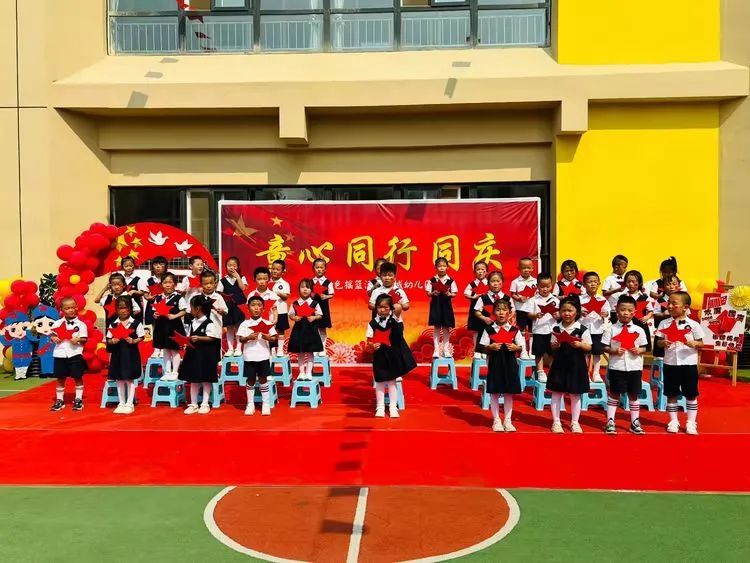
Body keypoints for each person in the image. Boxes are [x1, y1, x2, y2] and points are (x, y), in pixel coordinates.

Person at [654, 291, 705, 435]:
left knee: (691, 393)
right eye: (668, 303)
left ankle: (691, 423)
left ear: (685, 307)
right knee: (671, 393)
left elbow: (701, 343)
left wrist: (694, 343)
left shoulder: (694, 325)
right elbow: (658, 342)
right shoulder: (664, 323)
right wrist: (663, 343)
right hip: (670, 363)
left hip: (688, 364)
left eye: (674, 304)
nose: (669, 306)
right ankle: (673, 421)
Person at [601, 295, 649, 434]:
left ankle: (634, 422)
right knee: (614, 393)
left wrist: (639, 350)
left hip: (635, 367)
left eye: (629, 310)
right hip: (617, 366)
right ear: (617, 311)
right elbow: (604, 346)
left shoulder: (639, 330)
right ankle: (610, 421)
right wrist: (614, 351)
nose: (626, 313)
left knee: (634, 394)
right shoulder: (611, 329)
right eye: (622, 310)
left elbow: (645, 347)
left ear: (634, 312)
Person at [478, 300, 525, 432]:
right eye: (498, 310)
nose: (501, 313)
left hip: (510, 365)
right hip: (495, 365)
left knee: (508, 393)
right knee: (494, 393)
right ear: (494, 313)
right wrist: (490, 347)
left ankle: (508, 420)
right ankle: (496, 420)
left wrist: (516, 347)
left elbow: (521, 347)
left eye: (504, 310)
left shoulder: (514, 330)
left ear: (509, 313)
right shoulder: (489, 329)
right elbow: (481, 347)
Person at [367, 294, 416, 418]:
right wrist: (372, 346)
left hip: (393, 355)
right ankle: (380, 407)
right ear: (376, 308)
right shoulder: (372, 323)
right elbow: (369, 341)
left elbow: (399, 308)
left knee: (392, 382)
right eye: (380, 307)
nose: (382, 310)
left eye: (385, 307)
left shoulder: (395, 318)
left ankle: (393, 407)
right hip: (380, 356)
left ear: (390, 308)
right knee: (380, 382)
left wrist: (394, 307)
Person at [548, 296, 592, 433]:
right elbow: (551, 346)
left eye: (570, 310)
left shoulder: (582, 329)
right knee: (556, 393)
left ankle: (575, 422)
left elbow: (589, 347)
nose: (567, 313)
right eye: (564, 310)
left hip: (576, 365)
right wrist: (555, 345)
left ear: (577, 312)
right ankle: (556, 422)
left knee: (575, 394)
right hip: (559, 365)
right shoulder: (556, 328)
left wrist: (580, 344)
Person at [178, 295, 222, 415]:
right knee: (193, 379)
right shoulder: (192, 322)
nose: (190, 310)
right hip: (194, 354)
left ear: (197, 308)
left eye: (191, 307)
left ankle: (205, 403)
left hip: (206, 355)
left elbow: (213, 337)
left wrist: (199, 338)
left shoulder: (209, 323)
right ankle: (193, 404)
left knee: (206, 379)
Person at [237, 296, 278, 416]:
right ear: (248, 308)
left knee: (263, 379)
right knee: (250, 380)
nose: (256, 308)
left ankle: (266, 404)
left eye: (259, 305)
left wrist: (267, 337)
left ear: (263, 309)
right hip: (249, 356)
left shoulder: (267, 323)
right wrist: (248, 337)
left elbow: (274, 338)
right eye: (253, 305)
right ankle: (250, 404)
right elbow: (241, 339)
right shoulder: (245, 324)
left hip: (263, 356)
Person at [105, 296, 145, 415]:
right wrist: (113, 341)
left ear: (130, 309)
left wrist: (134, 341)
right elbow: (108, 339)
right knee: (119, 379)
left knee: (129, 379)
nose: (123, 311)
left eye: (125, 308)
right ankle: (121, 402)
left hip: (130, 354)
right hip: (118, 355)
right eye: (120, 308)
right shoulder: (113, 324)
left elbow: (141, 336)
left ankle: (129, 403)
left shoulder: (136, 323)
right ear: (116, 309)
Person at [49, 297, 88, 412]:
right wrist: (54, 338)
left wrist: (78, 339)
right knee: (60, 378)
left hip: (75, 353)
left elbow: (85, 339)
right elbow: (52, 335)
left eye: (72, 307)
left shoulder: (81, 324)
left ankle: (78, 399)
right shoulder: (57, 323)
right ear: (62, 310)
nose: (70, 310)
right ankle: (60, 400)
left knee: (77, 376)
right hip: (60, 353)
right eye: (67, 308)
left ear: (76, 308)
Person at [152, 272, 187, 381]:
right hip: (161, 327)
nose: (167, 285)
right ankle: (167, 372)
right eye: (165, 282)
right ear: (161, 284)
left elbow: (184, 311)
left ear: (175, 284)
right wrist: (155, 315)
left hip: (174, 327)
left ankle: (175, 372)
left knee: (175, 349)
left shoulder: (178, 298)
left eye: (170, 282)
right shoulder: (158, 298)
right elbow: (154, 311)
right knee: (165, 349)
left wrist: (174, 316)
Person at [288, 279, 324, 380]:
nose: (305, 289)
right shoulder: (295, 303)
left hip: (311, 331)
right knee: (300, 352)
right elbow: (291, 314)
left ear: (311, 290)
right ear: (299, 289)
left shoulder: (314, 303)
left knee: (310, 352)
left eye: (307, 287)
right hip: (299, 330)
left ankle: (308, 373)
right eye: (302, 287)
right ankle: (301, 372)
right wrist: (294, 318)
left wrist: (314, 317)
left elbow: (320, 315)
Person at [579, 271, 611, 383]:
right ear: (584, 284)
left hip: (598, 329)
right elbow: (574, 313)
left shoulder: (603, 300)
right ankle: (585, 374)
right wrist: (580, 313)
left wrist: (605, 314)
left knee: (597, 352)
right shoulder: (580, 299)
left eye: (595, 282)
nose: (592, 284)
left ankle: (596, 373)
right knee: (585, 353)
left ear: (599, 284)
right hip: (584, 329)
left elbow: (608, 314)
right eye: (589, 282)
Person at [528, 272, 559, 383]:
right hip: (539, 330)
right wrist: (536, 315)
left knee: (551, 352)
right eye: (542, 287)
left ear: (552, 286)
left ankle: (552, 372)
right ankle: (540, 371)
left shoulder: (555, 300)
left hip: (552, 331)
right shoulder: (533, 300)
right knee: (539, 352)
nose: (545, 289)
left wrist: (558, 315)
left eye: (547, 286)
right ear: (537, 286)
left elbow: (560, 314)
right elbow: (529, 314)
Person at [426, 257, 458, 358]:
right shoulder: (432, 280)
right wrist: (433, 293)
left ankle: (446, 349)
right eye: (439, 266)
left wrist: (449, 294)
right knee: (436, 327)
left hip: (446, 306)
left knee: (446, 328)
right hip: (436, 305)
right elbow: (428, 293)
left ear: (447, 267)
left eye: (444, 266)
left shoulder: (451, 281)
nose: (442, 268)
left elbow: (454, 293)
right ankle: (436, 350)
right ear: (436, 267)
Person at [217, 256, 248, 357]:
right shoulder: (222, 280)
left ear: (237, 267)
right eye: (229, 265)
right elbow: (219, 294)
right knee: (229, 328)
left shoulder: (242, 277)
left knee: (239, 327)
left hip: (239, 306)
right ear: (226, 267)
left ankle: (238, 348)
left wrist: (238, 277)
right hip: (228, 307)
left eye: (234, 265)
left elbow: (243, 288)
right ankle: (230, 349)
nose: (232, 267)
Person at [473, 270, 512, 346]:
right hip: (486, 327)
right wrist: (484, 318)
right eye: (493, 281)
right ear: (488, 283)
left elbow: (512, 311)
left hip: (502, 328)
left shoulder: (507, 298)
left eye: (498, 281)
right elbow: (477, 311)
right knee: (484, 348)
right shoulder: (483, 297)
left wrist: (507, 319)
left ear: (502, 283)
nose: (495, 284)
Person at [463, 260, 489, 359]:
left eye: (483, 269)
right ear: (474, 272)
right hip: (475, 309)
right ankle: (476, 350)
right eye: (478, 270)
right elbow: (466, 293)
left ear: (486, 272)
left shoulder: (489, 283)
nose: (480, 272)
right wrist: (473, 297)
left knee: (486, 330)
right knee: (476, 330)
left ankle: (484, 350)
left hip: (486, 309)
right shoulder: (472, 284)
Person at [652, 274, 682, 361]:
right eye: (668, 284)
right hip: (663, 331)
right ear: (663, 287)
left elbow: (687, 314)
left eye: (674, 284)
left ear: (678, 285)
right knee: (660, 356)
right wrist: (662, 314)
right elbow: (655, 314)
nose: (671, 287)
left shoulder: (682, 299)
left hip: (678, 330)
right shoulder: (660, 300)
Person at [624, 270, 654, 351]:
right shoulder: (623, 297)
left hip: (641, 324)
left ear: (639, 283)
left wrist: (646, 317)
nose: (631, 284)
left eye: (633, 281)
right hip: (626, 325)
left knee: (641, 347)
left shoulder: (645, 297)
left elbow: (650, 311)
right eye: (628, 281)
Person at [311, 258, 335, 356]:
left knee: (322, 328)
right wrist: (311, 294)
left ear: (325, 269)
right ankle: (315, 348)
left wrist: (325, 296)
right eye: (317, 267)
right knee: (313, 328)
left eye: (321, 267)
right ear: (313, 269)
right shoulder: (310, 282)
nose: (319, 269)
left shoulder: (328, 282)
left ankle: (322, 348)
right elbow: (306, 293)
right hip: (312, 308)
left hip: (323, 307)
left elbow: (332, 294)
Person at [509, 257, 537, 332]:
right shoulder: (515, 282)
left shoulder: (535, 281)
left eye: (528, 268)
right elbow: (513, 294)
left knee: (532, 328)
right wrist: (519, 299)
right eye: (524, 268)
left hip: (532, 309)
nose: (526, 270)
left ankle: (531, 339)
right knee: (522, 328)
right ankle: (522, 339)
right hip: (520, 309)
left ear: (532, 268)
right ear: (519, 269)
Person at [270, 259, 291, 357]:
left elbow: (286, 296)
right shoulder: (266, 281)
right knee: (270, 331)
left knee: (280, 330)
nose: (275, 271)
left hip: (281, 310)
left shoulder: (284, 283)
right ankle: (272, 350)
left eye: (278, 269)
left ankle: (280, 350)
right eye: (273, 269)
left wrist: (278, 293)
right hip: (269, 311)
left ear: (283, 271)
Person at [143, 255, 168, 327]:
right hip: (152, 306)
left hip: (166, 305)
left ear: (166, 266)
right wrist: (147, 297)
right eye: (155, 264)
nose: (158, 266)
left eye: (161, 264)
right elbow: (145, 293)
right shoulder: (149, 280)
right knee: (152, 326)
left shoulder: (168, 279)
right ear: (152, 267)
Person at [603, 254, 629, 323]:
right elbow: (604, 293)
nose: (625, 269)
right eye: (624, 267)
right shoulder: (609, 279)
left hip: (626, 310)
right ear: (616, 267)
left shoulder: (626, 278)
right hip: (614, 310)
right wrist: (617, 290)